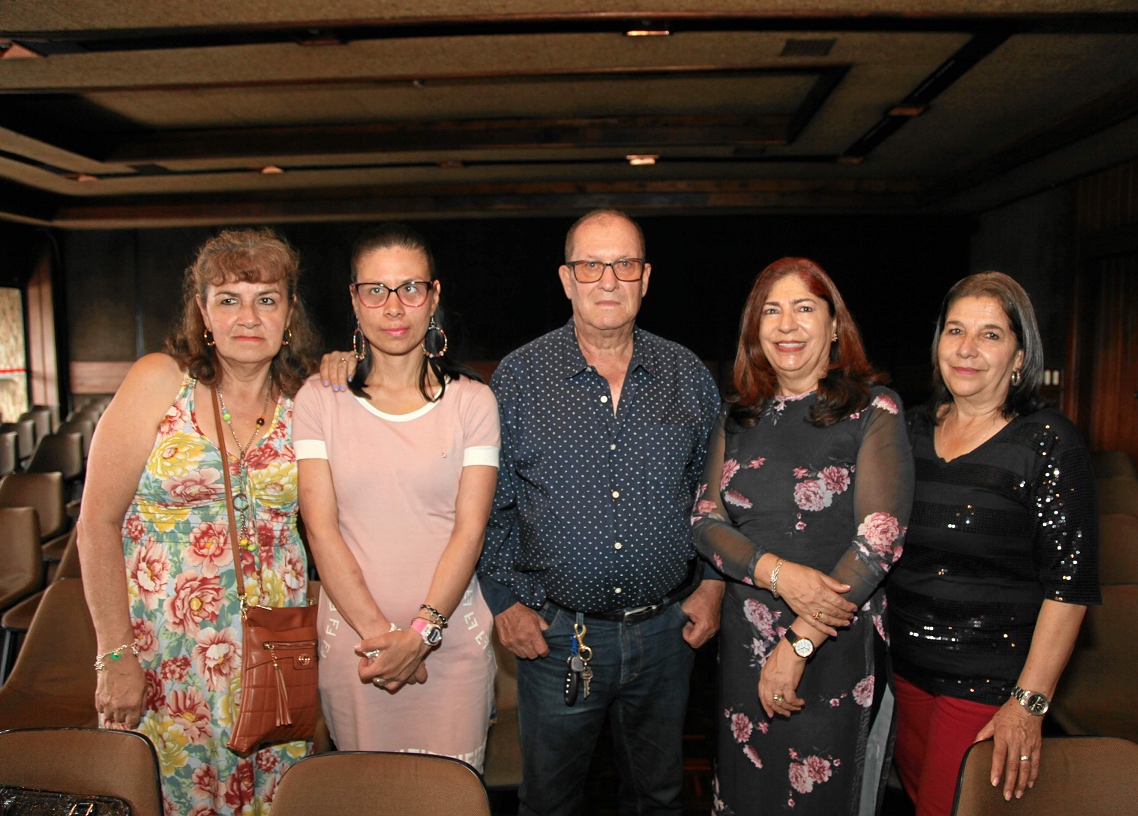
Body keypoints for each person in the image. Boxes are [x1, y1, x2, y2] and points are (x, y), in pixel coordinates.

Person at [476, 209, 724, 816]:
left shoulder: (687, 375)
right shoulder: (518, 378)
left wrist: (716, 585)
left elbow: (718, 495)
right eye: (591, 265)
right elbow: (489, 505)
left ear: (645, 277)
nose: (608, 280)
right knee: (550, 802)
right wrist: (505, 602)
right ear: (566, 279)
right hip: (558, 636)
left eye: (624, 264)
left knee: (660, 797)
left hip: (668, 633)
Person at [78, 227, 319, 815]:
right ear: (203, 314)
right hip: (165, 656)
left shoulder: (309, 398)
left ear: (289, 313)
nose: (247, 316)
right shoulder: (159, 381)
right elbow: (95, 524)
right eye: (228, 299)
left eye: (266, 299)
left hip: (271, 658)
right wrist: (115, 656)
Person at [690, 257, 913, 815]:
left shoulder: (874, 409)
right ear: (754, 330)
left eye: (804, 308)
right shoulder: (736, 416)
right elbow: (704, 521)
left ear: (834, 325)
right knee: (748, 795)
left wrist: (799, 642)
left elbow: (879, 541)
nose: (787, 325)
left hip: (834, 648)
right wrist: (778, 575)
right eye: (772, 310)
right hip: (745, 648)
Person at [887, 271, 1100, 816]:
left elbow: (1070, 588)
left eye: (990, 335)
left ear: (1020, 356)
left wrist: (1027, 705)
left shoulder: (1048, 442)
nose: (967, 349)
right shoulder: (905, 432)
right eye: (955, 330)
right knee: (917, 800)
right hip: (906, 671)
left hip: (990, 681)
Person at [295, 223, 499, 768]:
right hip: (358, 648)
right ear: (355, 301)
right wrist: (383, 639)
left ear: (433, 297)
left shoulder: (473, 402)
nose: (393, 307)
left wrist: (421, 635)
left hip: (450, 644)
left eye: (410, 288)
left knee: (449, 799)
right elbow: (320, 528)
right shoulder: (319, 399)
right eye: (376, 290)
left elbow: (470, 529)